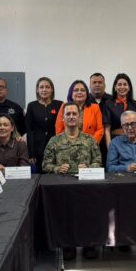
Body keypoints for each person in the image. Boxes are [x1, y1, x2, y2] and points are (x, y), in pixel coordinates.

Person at [42, 102, 103, 261]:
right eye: (68, 114)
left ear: (80, 117)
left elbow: (98, 161)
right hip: (63, 187)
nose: (71, 117)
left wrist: (89, 167)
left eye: (74, 114)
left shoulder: (89, 140)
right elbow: (45, 164)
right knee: (66, 216)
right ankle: (68, 246)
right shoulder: (54, 141)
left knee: (89, 215)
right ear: (62, 118)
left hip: (86, 187)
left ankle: (89, 244)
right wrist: (57, 168)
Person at [25, 77, 63, 172]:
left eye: (47, 87)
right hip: (38, 147)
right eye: (41, 87)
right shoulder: (31, 106)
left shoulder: (59, 104)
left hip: (56, 146)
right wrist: (31, 153)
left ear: (52, 89)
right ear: (37, 90)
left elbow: (63, 126)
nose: (44, 90)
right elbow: (29, 130)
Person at [54, 80, 104, 144]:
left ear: (87, 93)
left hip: (89, 146)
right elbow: (59, 128)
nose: (79, 92)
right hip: (67, 146)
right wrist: (67, 145)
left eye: (82, 90)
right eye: (76, 90)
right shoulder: (64, 106)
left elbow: (100, 130)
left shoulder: (95, 108)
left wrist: (89, 144)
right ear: (71, 93)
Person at [103, 73, 136, 148]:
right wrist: (110, 148)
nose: (122, 87)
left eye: (125, 84)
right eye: (119, 84)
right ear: (115, 87)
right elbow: (107, 130)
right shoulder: (108, 104)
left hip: (133, 142)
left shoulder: (134, 104)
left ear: (129, 88)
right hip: (116, 141)